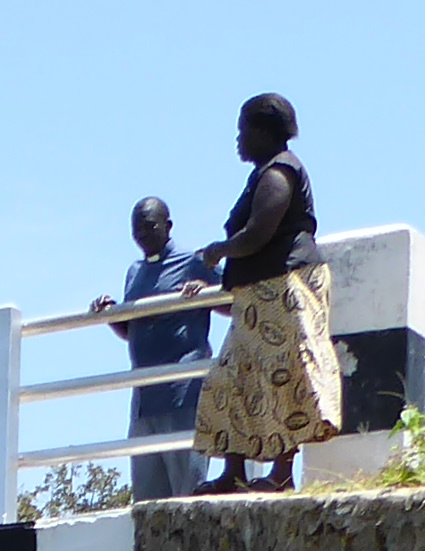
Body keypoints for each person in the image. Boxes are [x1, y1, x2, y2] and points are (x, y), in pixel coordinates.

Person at [190, 92, 340, 493]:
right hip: (260, 295)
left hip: (285, 289)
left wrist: (220, 250)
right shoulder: (263, 172)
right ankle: (233, 472)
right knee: (231, 380)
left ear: (261, 131)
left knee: (283, 377)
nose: (238, 138)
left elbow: (259, 232)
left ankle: (280, 475)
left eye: (243, 130)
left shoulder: (279, 172)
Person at [115, 197, 215, 501]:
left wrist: (204, 292)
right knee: (147, 502)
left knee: (186, 495)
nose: (142, 235)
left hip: (182, 394)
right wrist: (110, 313)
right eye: (136, 230)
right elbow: (132, 330)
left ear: (168, 226)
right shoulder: (134, 272)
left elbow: (230, 301)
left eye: (149, 227)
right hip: (145, 399)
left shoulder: (193, 262)